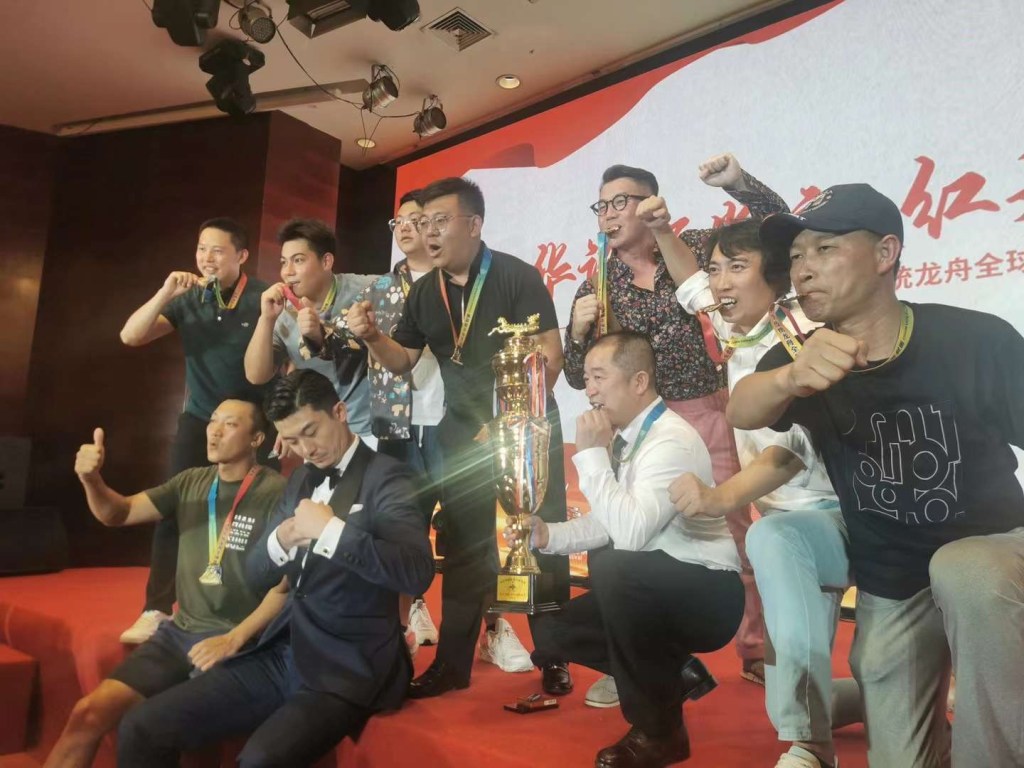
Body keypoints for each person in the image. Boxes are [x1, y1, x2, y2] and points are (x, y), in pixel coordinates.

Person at [728, 183, 1024, 767]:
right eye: (795, 257)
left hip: (994, 551)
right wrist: (789, 378)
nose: (803, 270)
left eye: (825, 249)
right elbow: (742, 408)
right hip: (892, 577)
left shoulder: (973, 339)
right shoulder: (804, 355)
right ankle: (834, 712)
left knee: (963, 568)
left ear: (886, 253)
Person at [117, 369, 435, 768]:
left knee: (258, 761)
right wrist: (280, 540)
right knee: (142, 726)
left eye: (311, 432)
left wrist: (332, 532)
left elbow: (416, 572)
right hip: (281, 651)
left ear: (339, 412)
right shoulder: (300, 478)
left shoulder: (388, 477)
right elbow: (257, 573)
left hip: (346, 666)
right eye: (293, 440)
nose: (307, 450)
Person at [564, 154, 788, 684]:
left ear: (650, 204)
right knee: (629, 536)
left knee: (735, 532)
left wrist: (738, 182)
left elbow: (776, 227)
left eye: (620, 202)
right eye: (602, 205)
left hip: (711, 411)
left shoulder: (698, 248)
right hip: (639, 430)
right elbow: (578, 376)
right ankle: (638, 653)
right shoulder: (596, 287)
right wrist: (575, 333)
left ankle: (756, 647)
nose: (608, 214)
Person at [346, 176, 570, 696]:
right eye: (423, 222)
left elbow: (550, 354)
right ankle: (452, 666)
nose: (429, 232)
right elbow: (402, 361)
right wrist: (373, 336)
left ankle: (556, 655)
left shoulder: (516, 276)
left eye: (440, 221)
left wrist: (511, 420)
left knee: (543, 536)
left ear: (473, 224)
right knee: (467, 547)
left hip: (527, 430)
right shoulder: (426, 292)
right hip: (461, 434)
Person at [668, 219, 861, 768]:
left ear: (775, 278)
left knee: (772, 543)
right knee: (790, 687)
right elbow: (690, 284)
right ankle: (877, 696)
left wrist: (718, 499)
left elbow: (789, 453)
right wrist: (659, 229)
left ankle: (811, 746)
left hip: (835, 510)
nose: (720, 282)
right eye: (715, 268)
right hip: (783, 513)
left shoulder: (798, 336)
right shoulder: (738, 323)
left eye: (737, 267)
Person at [517, 331, 743, 768]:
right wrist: (548, 536)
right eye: (586, 378)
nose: (590, 390)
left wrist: (591, 456)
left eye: (599, 377)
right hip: (653, 583)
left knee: (614, 567)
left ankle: (659, 733)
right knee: (552, 633)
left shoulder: (669, 440)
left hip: (708, 590)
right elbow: (610, 520)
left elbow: (630, 533)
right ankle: (675, 675)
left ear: (639, 381)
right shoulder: (629, 435)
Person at [45, 399, 287, 768]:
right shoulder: (190, 482)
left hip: (239, 640)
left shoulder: (277, 492)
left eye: (230, 424)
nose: (215, 430)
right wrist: (92, 480)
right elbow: (119, 512)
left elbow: (286, 587)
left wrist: (234, 638)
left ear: (256, 439)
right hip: (179, 634)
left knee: (165, 730)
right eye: (213, 420)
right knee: (87, 713)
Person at [119, 217, 276, 645]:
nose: (207, 258)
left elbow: (289, 362)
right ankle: (156, 608)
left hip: (257, 423)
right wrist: (166, 292)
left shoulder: (263, 296)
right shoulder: (187, 298)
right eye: (201, 249)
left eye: (218, 250)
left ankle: (257, 612)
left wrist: (282, 422)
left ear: (242, 256)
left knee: (258, 514)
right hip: (201, 419)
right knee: (174, 508)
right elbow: (130, 336)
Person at [331, 190, 444, 655]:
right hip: (394, 423)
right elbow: (340, 345)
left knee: (466, 528)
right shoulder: (377, 289)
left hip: (452, 420)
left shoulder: (456, 281)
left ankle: (492, 625)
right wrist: (320, 332)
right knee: (400, 526)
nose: (405, 227)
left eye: (416, 219)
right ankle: (408, 615)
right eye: (398, 221)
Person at [244, 217, 377, 444]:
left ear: (326, 261)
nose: (288, 272)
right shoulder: (282, 312)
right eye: (283, 262)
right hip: (317, 433)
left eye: (298, 260)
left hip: (370, 430)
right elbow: (256, 375)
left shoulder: (366, 289)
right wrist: (266, 319)